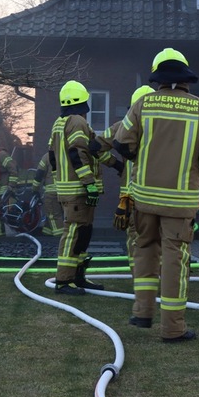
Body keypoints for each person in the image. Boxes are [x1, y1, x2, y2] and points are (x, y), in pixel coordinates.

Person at [113, 48, 199, 342]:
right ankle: (173, 328)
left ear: (158, 75)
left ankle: (142, 312)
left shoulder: (143, 104)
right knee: (174, 258)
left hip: (144, 197)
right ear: (185, 76)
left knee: (144, 249)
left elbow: (122, 144)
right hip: (180, 201)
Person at [49, 80, 109, 295]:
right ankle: (64, 281)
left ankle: (77, 277)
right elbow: (78, 153)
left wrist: (116, 164)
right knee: (74, 232)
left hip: (69, 189)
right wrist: (89, 184)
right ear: (83, 101)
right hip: (79, 190)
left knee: (84, 232)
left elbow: (53, 157)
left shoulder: (59, 122)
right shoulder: (77, 122)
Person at [90, 85, 155, 277]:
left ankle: (140, 280)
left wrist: (117, 165)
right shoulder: (164, 129)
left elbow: (94, 147)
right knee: (157, 238)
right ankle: (156, 278)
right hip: (158, 194)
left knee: (135, 238)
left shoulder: (122, 127)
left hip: (131, 194)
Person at [30, 151, 64, 236]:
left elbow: (39, 174)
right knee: (52, 214)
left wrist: (34, 190)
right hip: (66, 192)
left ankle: (59, 238)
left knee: (53, 215)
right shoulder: (67, 155)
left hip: (52, 192)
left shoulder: (47, 156)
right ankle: (46, 234)